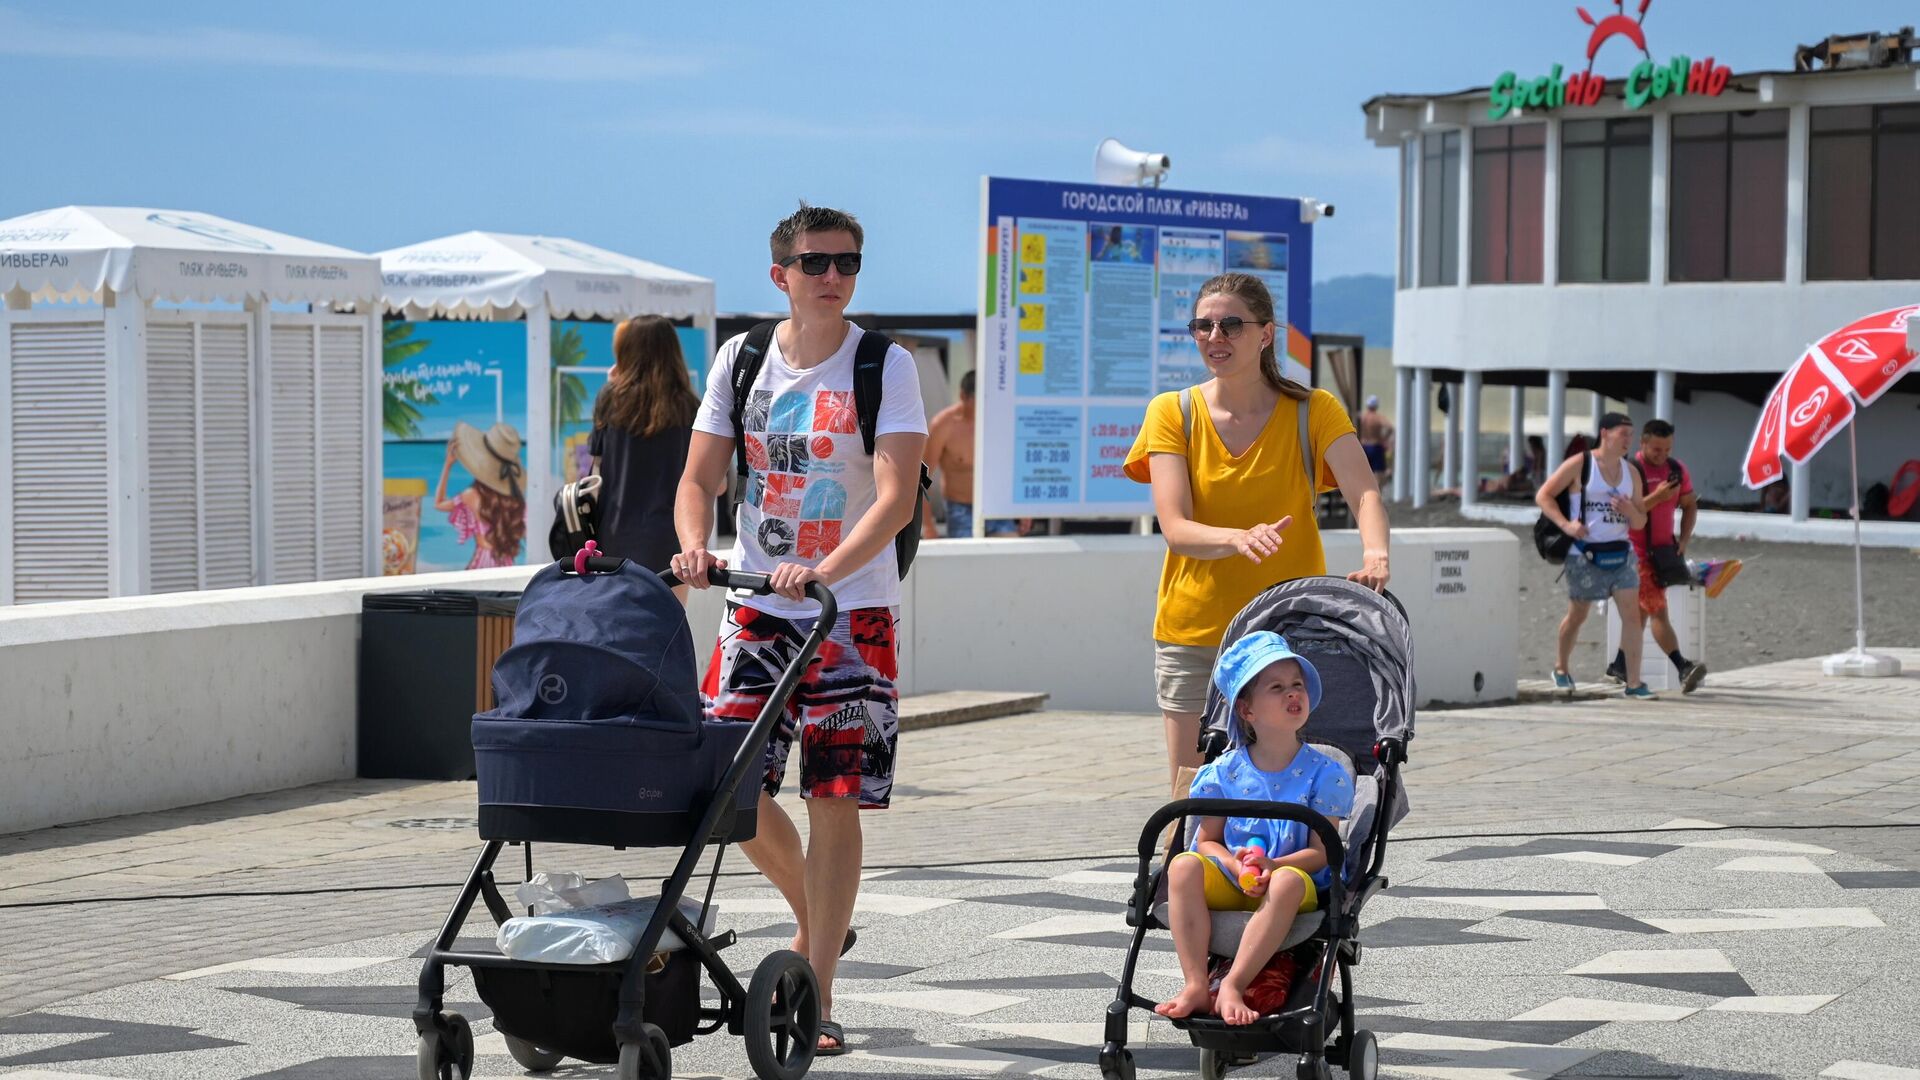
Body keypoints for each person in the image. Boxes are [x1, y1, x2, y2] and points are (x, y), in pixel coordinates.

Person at [671, 204, 926, 1056]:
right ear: (779, 273)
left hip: (851, 613)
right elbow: (700, 477)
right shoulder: (742, 360)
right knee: (723, 788)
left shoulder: (884, 365)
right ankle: (820, 921)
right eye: (816, 263)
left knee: (835, 799)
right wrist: (694, 547)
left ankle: (813, 989)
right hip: (757, 604)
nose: (834, 277)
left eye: (848, 263)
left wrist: (826, 569)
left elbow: (895, 497)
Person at [1123, 272, 1390, 784]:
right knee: (1190, 790)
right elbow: (1176, 528)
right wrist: (1237, 537)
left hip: (1285, 632)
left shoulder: (1314, 410)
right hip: (1195, 631)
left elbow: (1366, 492)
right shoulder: (1172, 412)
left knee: (1285, 785)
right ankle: (1182, 864)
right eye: (1202, 326)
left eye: (1230, 325)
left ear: (1266, 334)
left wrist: (1376, 553)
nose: (1214, 337)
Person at [1154, 631, 1352, 1025]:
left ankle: (1232, 984)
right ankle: (1195, 982)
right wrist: (1233, 862)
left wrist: (1273, 865)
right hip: (1235, 877)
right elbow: (1207, 841)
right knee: (1183, 865)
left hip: (1294, 883)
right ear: (1247, 711)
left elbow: (1322, 852)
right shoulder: (1223, 773)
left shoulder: (1325, 774)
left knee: (1288, 883)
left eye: (1297, 685)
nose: (1292, 694)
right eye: (1276, 688)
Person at [1535, 412, 1653, 698]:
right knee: (1578, 616)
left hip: (1621, 554)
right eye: (1623, 433)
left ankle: (1634, 683)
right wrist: (1566, 525)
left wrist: (1630, 512)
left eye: (1630, 434)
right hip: (1583, 555)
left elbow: (1641, 522)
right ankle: (1561, 668)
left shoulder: (1632, 472)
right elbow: (1544, 495)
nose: (1629, 439)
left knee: (1633, 617)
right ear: (1605, 433)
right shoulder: (1581, 464)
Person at [589, 315, 698, 596]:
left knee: (615, 627)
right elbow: (715, 483)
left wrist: (612, 384)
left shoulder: (610, 400)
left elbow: (595, 474)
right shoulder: (690, 407)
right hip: (672, 541)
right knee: (666, 628)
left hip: (613, 537)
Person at [1607, 419, 1713, 692]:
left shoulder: (1677, 470)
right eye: (1656, 449)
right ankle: (1683, 667)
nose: (1662, 455)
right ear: (1642, 443)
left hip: (1664, 552)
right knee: (1657, 611)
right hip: (1634, 552)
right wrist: (1657, 496)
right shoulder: (1629, 471)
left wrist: (1684, 539)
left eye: (1667, 449)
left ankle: (1619, 664)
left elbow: (1690, 504)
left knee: (1642, 612)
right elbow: (1626, 510)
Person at [922, 371, 1022, 537]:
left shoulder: (1000, 420)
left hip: (997, 506)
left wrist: (1023, 508)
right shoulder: (943, 425)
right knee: (967, 560)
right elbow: (922, 477)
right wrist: (927, 525)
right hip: (960, 508)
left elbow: (1015, 464)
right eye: (980, 402)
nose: (985, 407)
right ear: (963, 396)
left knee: (1011, 557)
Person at [435, 420, 526, 569]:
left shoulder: (471, 495)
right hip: (507, 565)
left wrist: (448, 464)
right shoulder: (515, 501)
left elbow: (438, 503)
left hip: (481, 564)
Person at [1357, 394, 1394, 482]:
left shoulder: (1362, 417)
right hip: (1375, 446)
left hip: (1363, 446)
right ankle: (1377, 494)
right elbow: (1390, 427)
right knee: (1378, 474)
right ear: (1376, 406)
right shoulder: (1378, 417)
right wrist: (1384, 438)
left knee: (1364, 473)